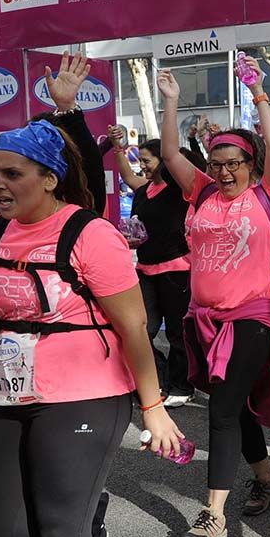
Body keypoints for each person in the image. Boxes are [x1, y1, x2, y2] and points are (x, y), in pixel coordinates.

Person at [0, 118, 182, 537]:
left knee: (60, 533)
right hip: (14, 391)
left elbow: (134, 327)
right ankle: (88, 522)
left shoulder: (90, 233)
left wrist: (153, 406)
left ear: (50, 179)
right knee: (0, 527)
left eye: (12, 174)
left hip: (85, 393)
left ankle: (84, 527)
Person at [159, 62, 270, 537]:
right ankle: (267, 478)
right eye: (216, 162)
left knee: (221, 409)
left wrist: (259, 91)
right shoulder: (200, 191)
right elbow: (167, 153)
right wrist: (172, 100)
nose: (222, 171)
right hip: (202, 319)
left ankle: (213, 515)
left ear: (250, 164)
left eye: (232, 163)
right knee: (236, 408)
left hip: (251, 317)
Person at [109, 132, 200, 408]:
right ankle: (158, 379)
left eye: (147, 161)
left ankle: (183, 385)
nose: (143, 166)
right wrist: (118, 149)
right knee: (141, 330)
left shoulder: (177, 190)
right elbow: (127, 175)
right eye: (142, 161)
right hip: (145, 269)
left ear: (164, 162)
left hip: (176, 270)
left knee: (177, 332)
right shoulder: (142, 190)